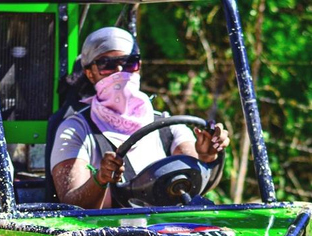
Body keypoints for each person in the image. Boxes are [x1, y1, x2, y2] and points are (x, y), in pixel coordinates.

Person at [49, 26, 230, 209]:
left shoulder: (167, 125)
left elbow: (195, 174)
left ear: (139, 67)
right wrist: (100, 179)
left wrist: (207, 155)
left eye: (129, 63)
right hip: (107, 235)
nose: (120, 71)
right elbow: (71, 203)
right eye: (107, 65)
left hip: (167, 230)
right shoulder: (75, 130)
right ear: (90, 73)